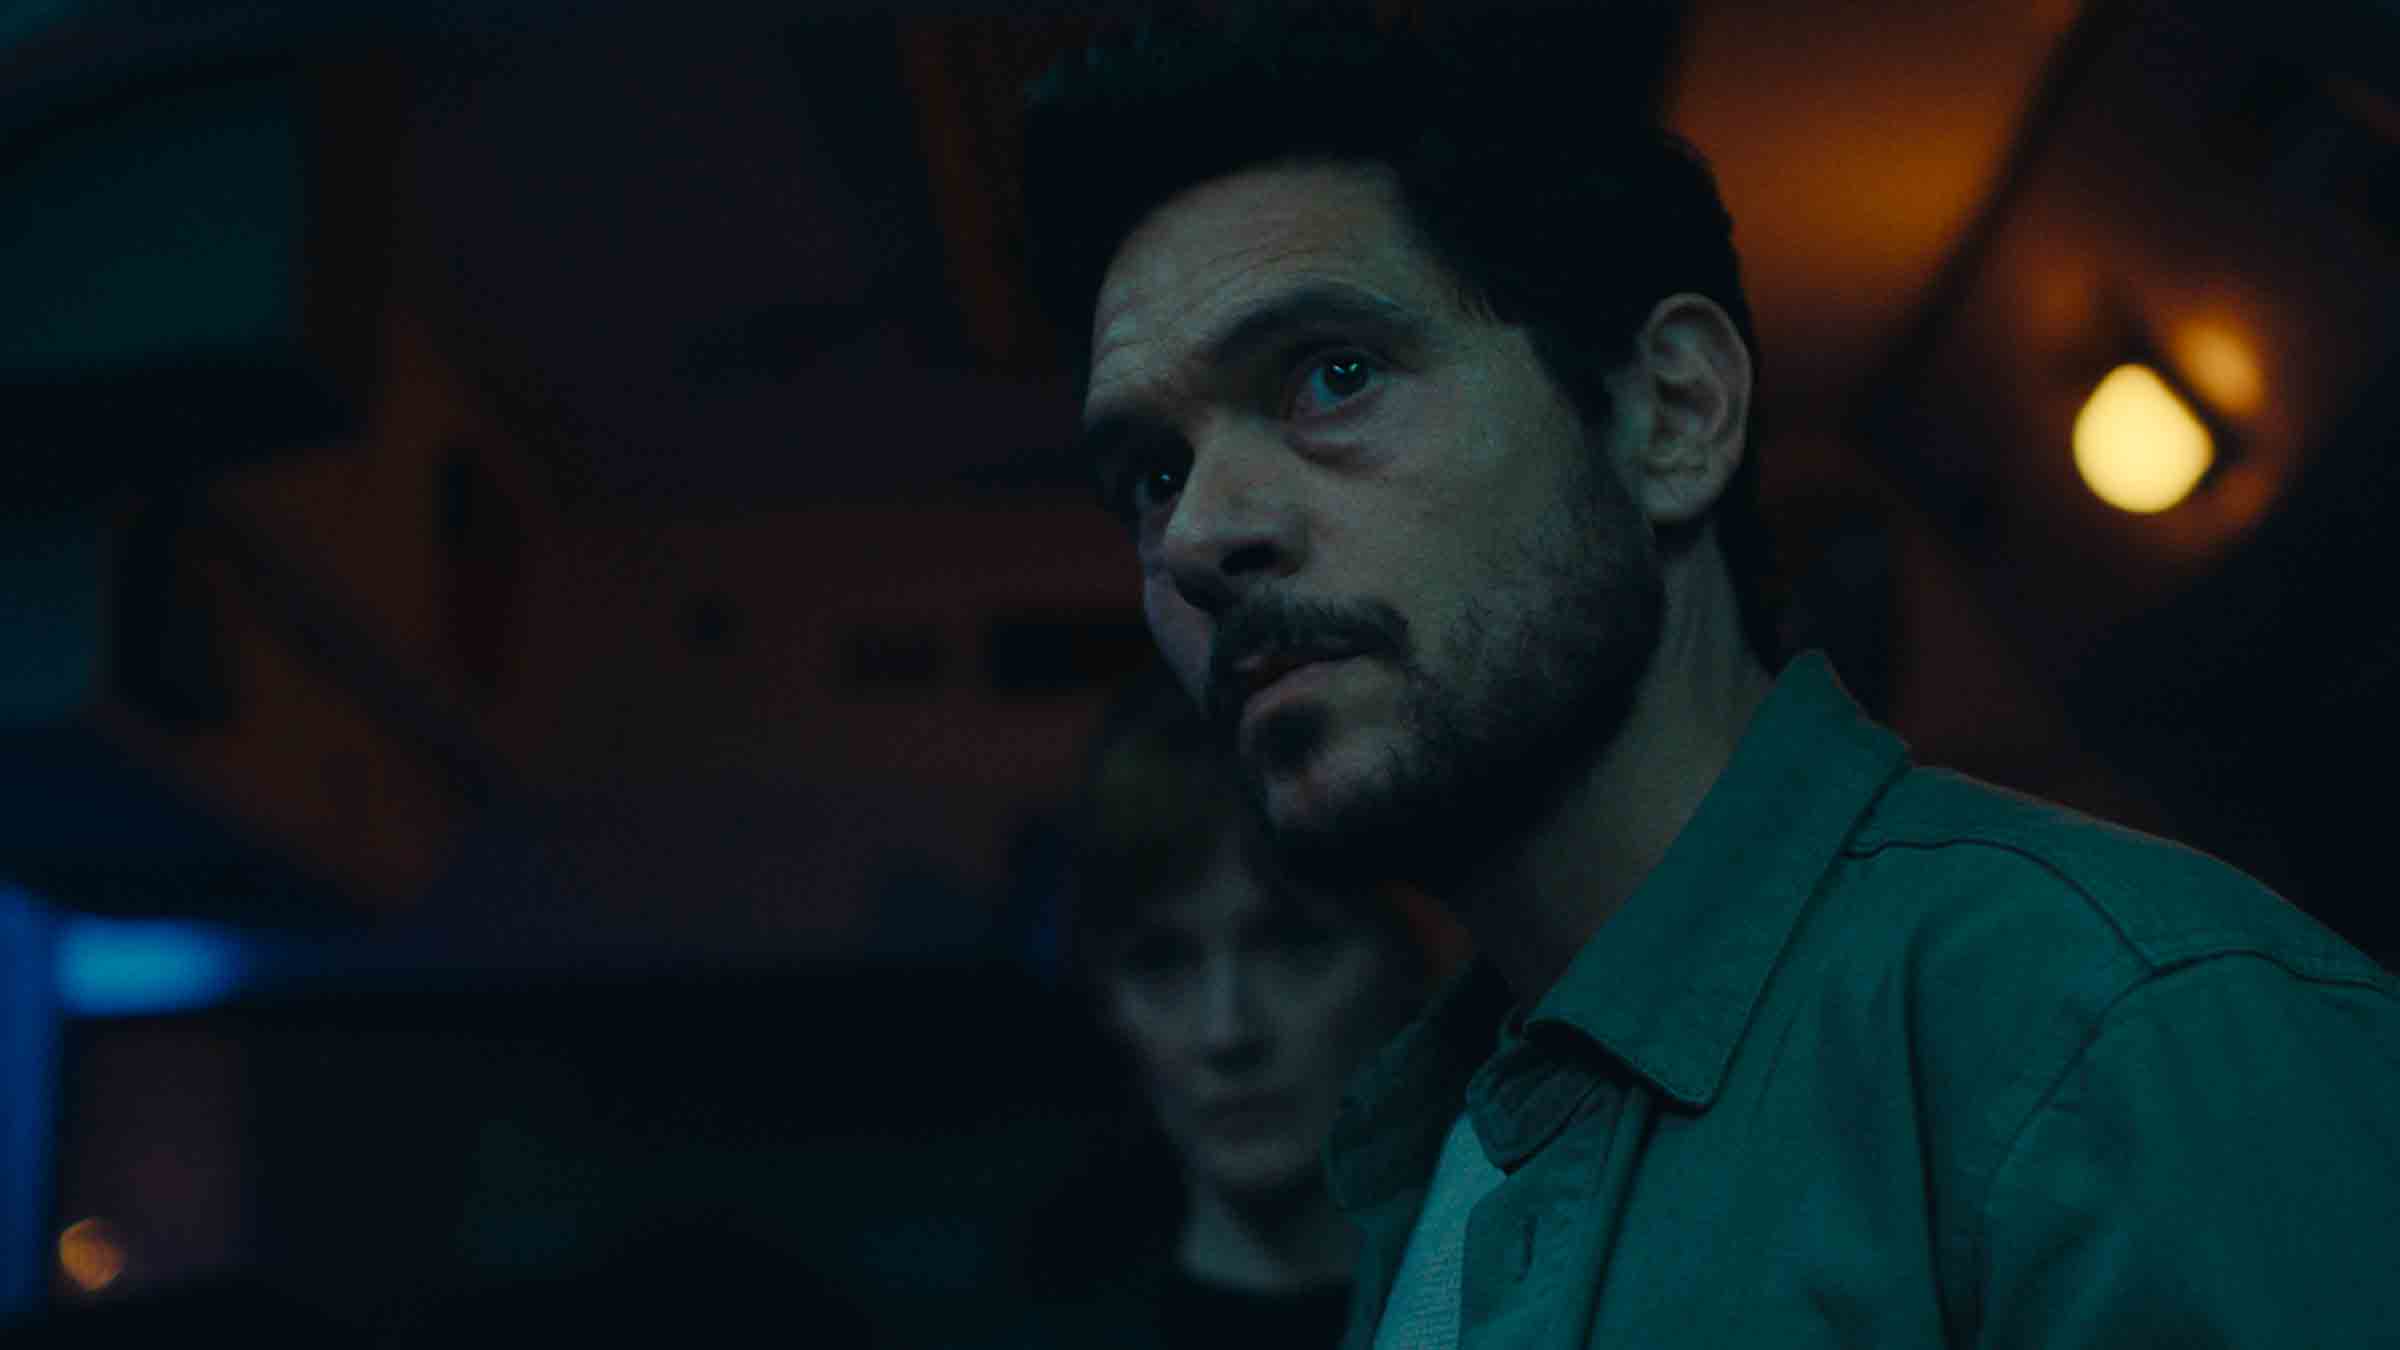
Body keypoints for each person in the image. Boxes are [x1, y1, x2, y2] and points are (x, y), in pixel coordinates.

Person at [1020, 10, 2400, 1347]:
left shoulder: (2111, 1033)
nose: (1195, 536)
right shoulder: (1437, 1150)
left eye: (1333, 375)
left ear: (1673, 414)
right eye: (1153, 474)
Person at [1020, 659, 1455, 1349]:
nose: (1226, 1032)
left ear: (1406, 956)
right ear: (1105, 994)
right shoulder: (1003, 1320)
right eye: (1161, 962)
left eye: (1292, 945)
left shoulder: (1529, 1305)